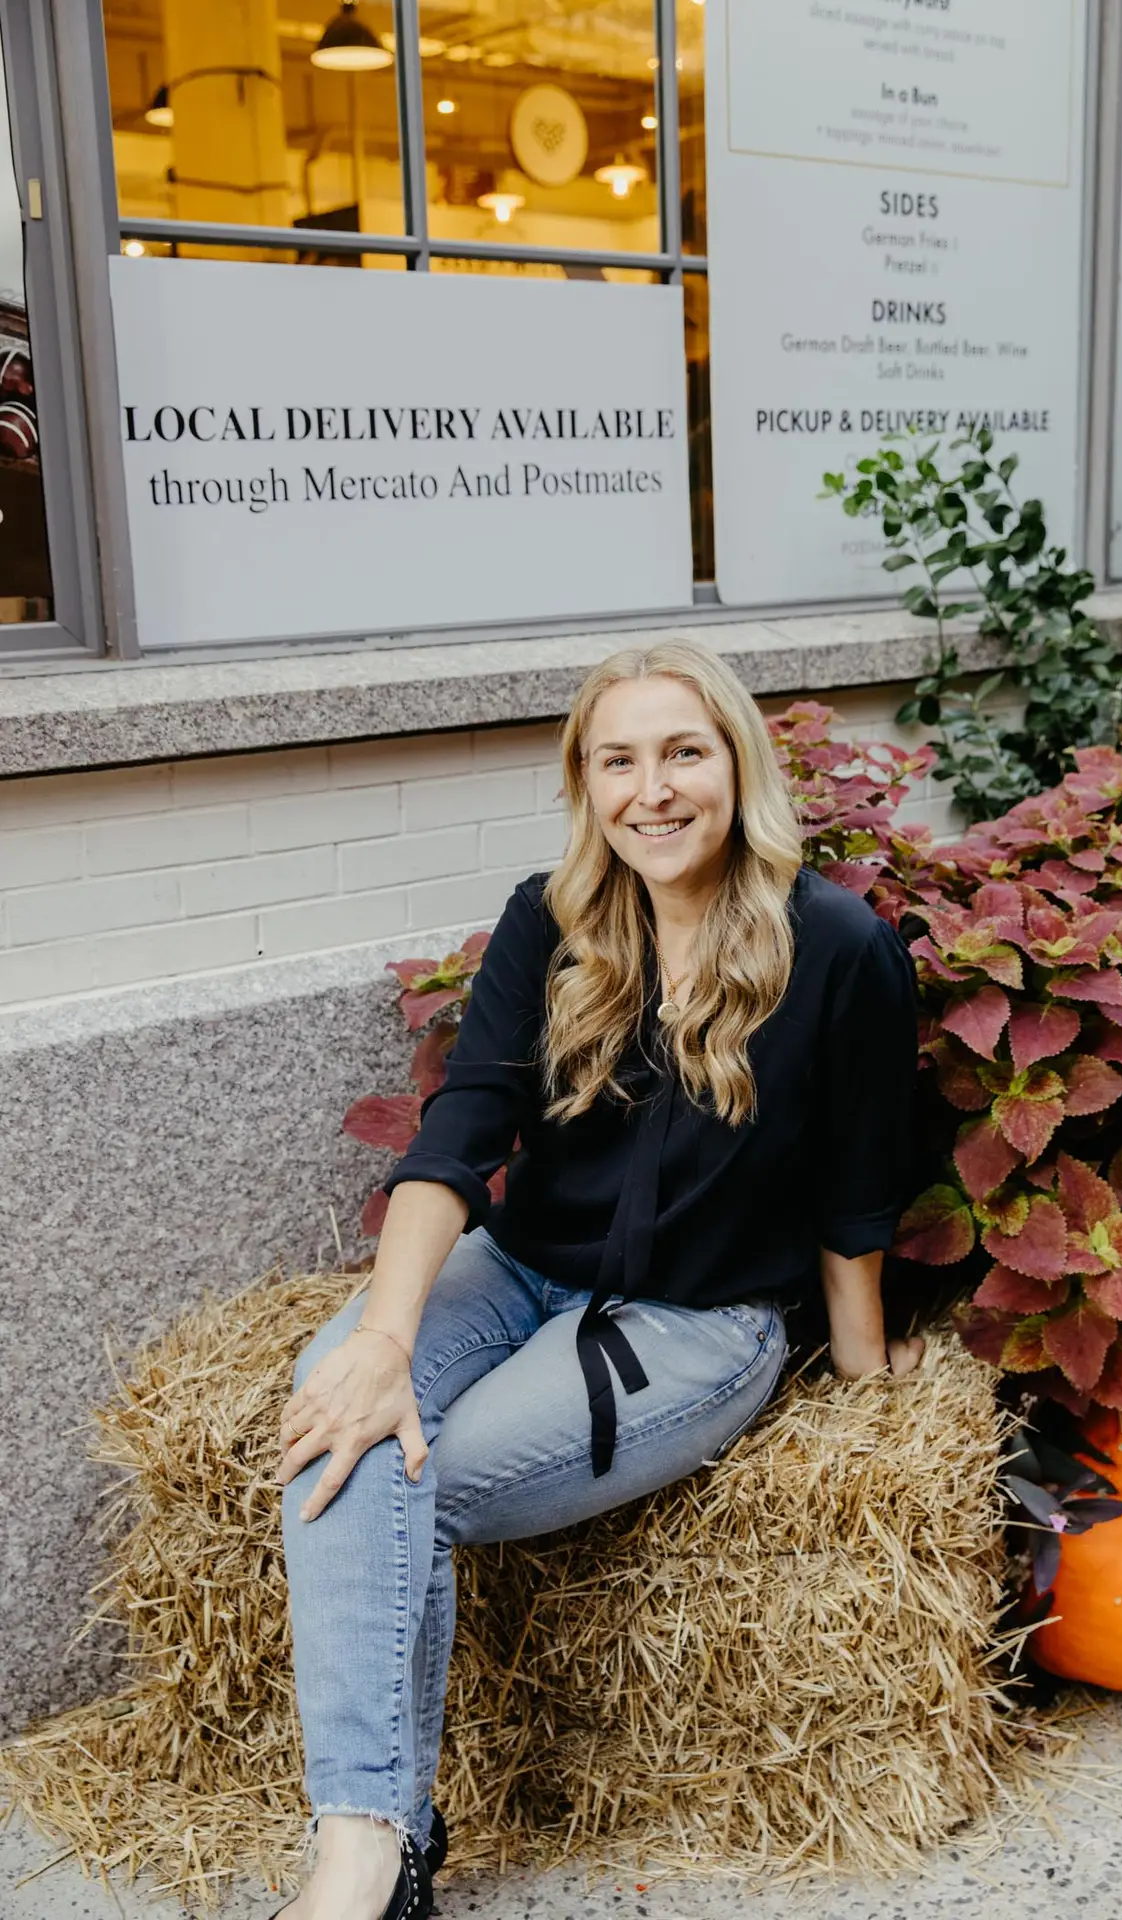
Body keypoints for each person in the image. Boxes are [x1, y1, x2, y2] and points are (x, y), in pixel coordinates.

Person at [274, 639, 922, 1920]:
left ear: (737, 762)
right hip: (520, 1273)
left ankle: (367, 1866)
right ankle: (366, 1848)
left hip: (695, 1322)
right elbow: (462, 1128)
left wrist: (859, 1371)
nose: (653, 790)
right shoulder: (552, 919)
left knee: (412, 1479)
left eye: (683, 750)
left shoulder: (836, 945)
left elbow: (856, 1189)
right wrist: (384, 1341)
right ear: (584, 783)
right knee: (335, 1418)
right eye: (616, 760)